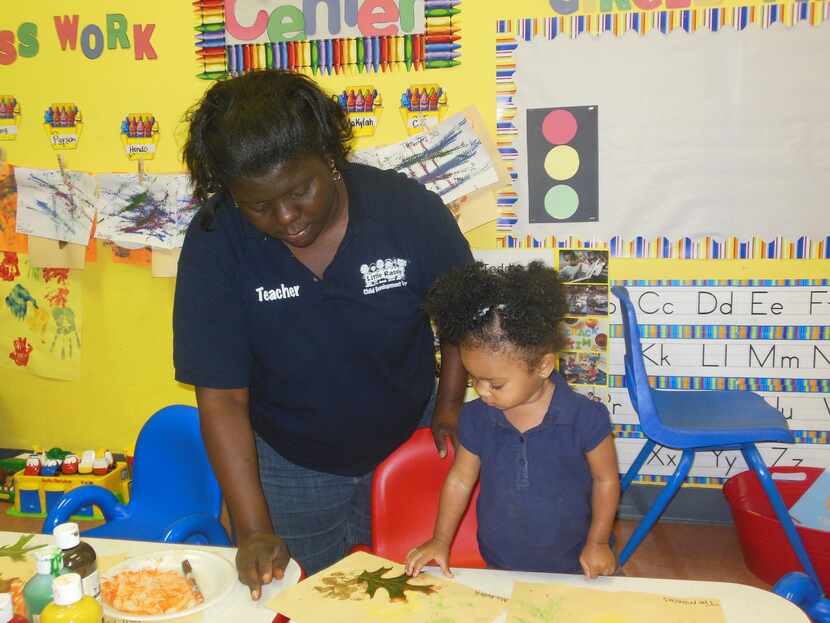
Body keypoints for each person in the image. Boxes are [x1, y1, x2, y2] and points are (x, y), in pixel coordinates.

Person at [173, 70, 472, 594]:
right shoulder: (216, 241)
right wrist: (253, 528)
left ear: (330, 157)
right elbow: (220, 397)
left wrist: (449, 405)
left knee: (415, 597)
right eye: (259, 206)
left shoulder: (407, 210)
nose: (287, 217)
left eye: (300, 191)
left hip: (408, 440)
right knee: (303, 597)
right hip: (291, 463)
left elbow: (460, 317)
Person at [404, 262, 620, 578]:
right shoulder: (477, 417)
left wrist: (599, 542)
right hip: (502, 563)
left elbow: (606, 480)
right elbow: (460, 479)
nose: (481, 391)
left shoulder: (585, 418)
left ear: (543, 366)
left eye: (495, 383)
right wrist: (440, 540)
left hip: (575, 564)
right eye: (474, 379)